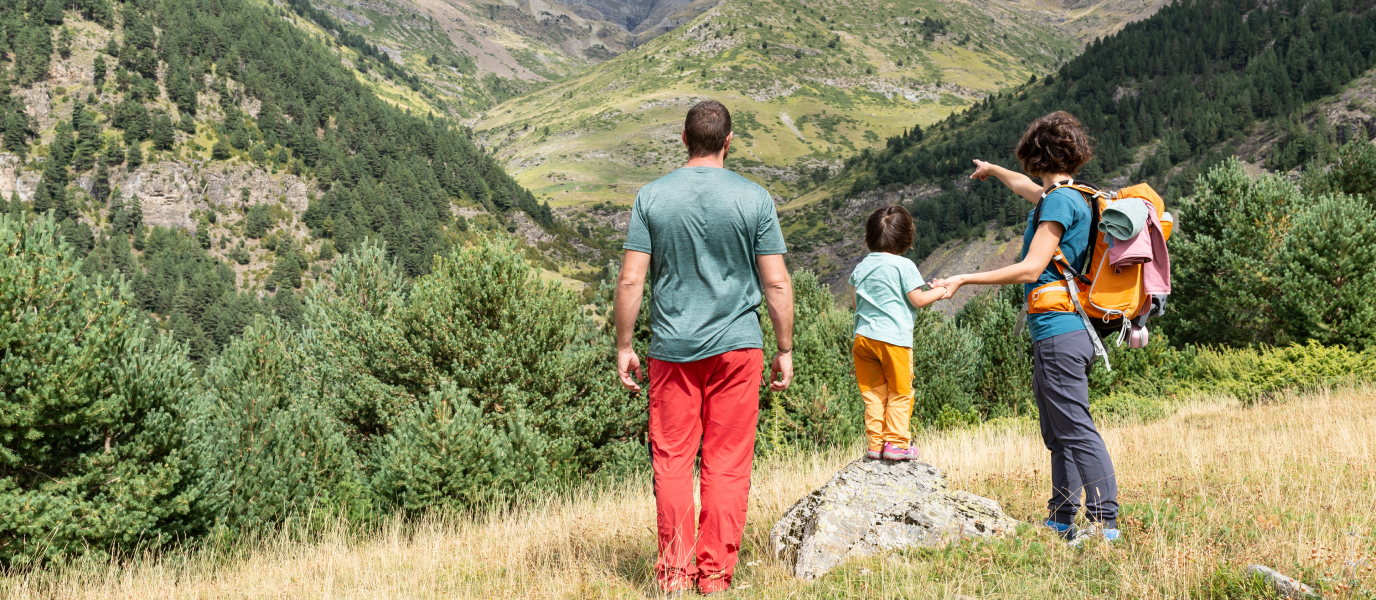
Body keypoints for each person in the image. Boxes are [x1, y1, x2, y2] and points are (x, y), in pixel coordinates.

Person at [614, 100, 795, 596]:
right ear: (729, 140)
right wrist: (784, 348)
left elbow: (632, 279)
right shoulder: (754, 199)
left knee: (672, 461)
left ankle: (675, 573)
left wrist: (624, 345)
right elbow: (776, 285)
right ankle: (714, 577)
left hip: (671, 349)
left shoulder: (652, 197)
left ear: (683, 138)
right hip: (738, 349)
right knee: (727, 463)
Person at [930, 111, 1121, 545]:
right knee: (1059, 430)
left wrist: (963, 279)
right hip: (1069, 330)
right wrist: (996, 170)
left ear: (1037, 154)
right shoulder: (1075, 196)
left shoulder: (1057, 202)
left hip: (1058, 330)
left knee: (1074, 428)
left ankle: (1106, 525)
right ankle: (1061, 517)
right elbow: (1027, 189)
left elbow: (1030, 268)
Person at [849, 206, 946, 461]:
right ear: (906, 238)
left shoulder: (861, 266)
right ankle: (897, 443)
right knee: (901, 391)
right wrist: (942, 291)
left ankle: (876, 443)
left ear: (869, 237)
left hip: (863, 339)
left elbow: (856, 304)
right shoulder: (904, 266)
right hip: (893, 341)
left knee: (873, 394)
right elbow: (919, 300)